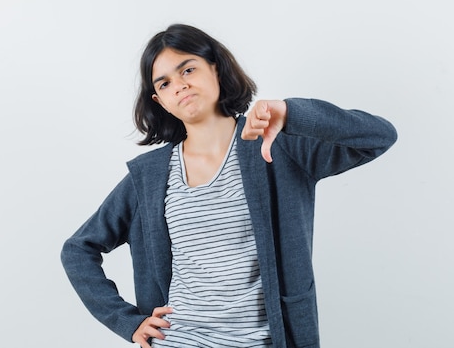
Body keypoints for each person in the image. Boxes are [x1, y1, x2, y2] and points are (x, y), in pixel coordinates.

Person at [60, 24, 397, 348]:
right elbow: (78, 249)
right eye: (164, 83)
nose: (178, 85)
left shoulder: (277, 147)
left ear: (216, 69)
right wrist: (127, 321)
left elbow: (378, 137)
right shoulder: (147, 178)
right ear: (159, 100)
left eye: (188, 70)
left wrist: (292, 114)